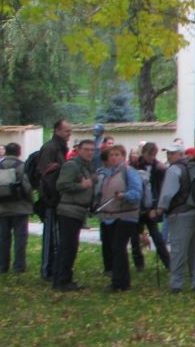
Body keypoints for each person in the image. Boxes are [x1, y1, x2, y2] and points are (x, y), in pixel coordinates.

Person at [155, 144, 195, 292]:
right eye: (168, 153)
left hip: (181, 213)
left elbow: (167, 193)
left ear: (179, 154)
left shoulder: (174, 169)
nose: (169, 156)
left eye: (172, 153)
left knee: (179, 249)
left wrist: (160, 209)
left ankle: (176, 283)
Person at [94, 144, 143, 292]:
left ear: (123, 157)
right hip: (109, 217)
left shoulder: (129, 172)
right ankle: (119, 280)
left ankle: (120, 282)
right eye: (111, 155)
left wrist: (124, 195)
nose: (114, 157)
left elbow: (137, 193)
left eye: (117, 155)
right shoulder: (107, 174)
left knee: (118, 247)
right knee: (112, 249)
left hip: (125, 215)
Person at [52, 139, 96, 292]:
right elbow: (61, 185)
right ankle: (62, 280)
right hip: (69, 210)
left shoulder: (86, 167)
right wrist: (81, 186)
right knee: (68, 247)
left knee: (69, 246)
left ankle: (61, 278)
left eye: (92, 150)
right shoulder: (72, 165)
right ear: (78, 150)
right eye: (86, 149)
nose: (89, 152)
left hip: (78, 211)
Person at [0, 141, 33, 274]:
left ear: (5, 152)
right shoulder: (21, 166)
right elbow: (27, 187)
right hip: (20, 207)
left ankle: (2, 266)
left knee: (2, 238)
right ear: (19, 152)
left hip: (2, 207)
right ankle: (19, 267)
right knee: (20, 238)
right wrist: (30, 201)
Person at [36, 118, 72, 280]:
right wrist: (52, 196)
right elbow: (46, 175)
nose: (69, 133)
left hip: (58, 199)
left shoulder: (60, 148)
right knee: (50, 235)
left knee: (57, 236)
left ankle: (53, 268)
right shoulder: (50, 148)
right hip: (51, 200)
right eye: (66, 131)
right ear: (57, 131)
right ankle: (47, 270)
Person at [135, 142, 170, 270]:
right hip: (138, 206)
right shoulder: (136, 165)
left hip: (150, 206)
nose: (151, 157)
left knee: (157, 236)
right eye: (149, 154)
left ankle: (168, 263)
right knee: (136, 236)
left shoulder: (159, 168)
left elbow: (159, 189)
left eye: (154, 155)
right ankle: (139, 263)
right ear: (143, 153)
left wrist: (156, 207)